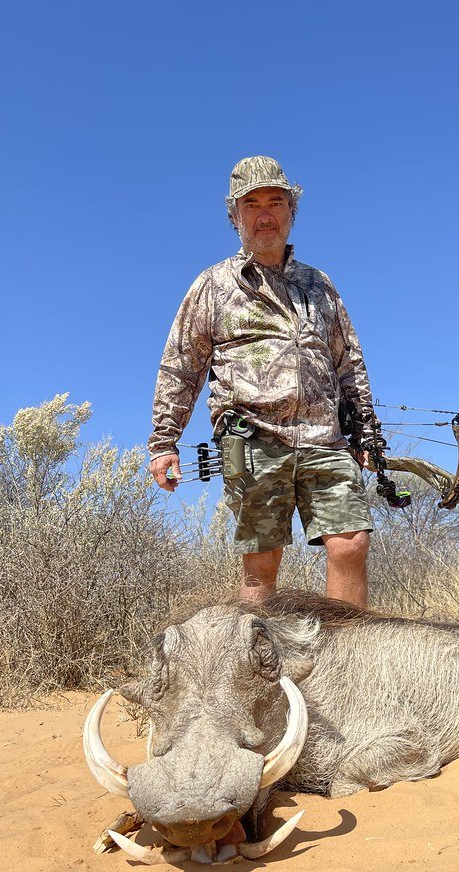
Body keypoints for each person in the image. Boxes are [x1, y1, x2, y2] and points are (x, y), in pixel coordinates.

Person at [148, 156, 376, 606]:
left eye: (276, 201)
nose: (265, 214)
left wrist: (365, 431)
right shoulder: (212, 285)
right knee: (262, 560)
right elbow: (180, 365)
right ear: (234, 217)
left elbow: (348, 363)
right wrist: (163, 442)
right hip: (251, 439)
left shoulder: (320, 285)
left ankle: (346, 670)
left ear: (292, 211)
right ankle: (256, 672)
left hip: (324, 438)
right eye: (251, 204)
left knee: (351, 543)